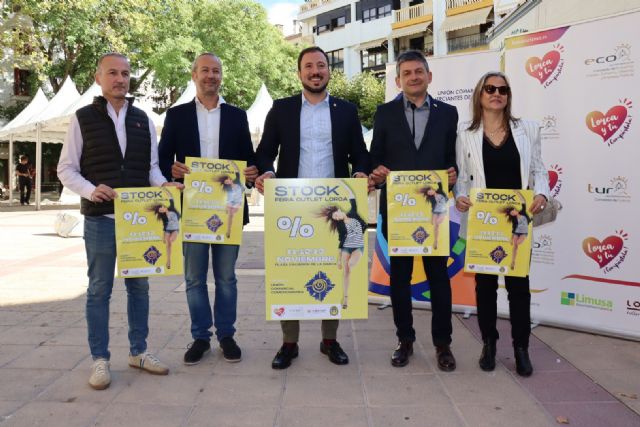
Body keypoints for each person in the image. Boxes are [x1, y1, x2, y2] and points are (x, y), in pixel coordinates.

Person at [57, 52, 182, 390]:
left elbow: (151, 168)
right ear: (98, 78)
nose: (120, 79)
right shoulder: (82, 118)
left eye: (125, 73)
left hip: (140, 221)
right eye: (112, 73)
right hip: (101, 220)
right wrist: (90, 189)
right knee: (99, 289)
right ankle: (100, 359)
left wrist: (164, 186)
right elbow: (66, 168)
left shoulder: (143, 120)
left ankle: (138, 351)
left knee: (139, 287)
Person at [255, 46, 370, 369]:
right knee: (290, 270)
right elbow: (264, 152)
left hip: (334, 206)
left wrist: (361, 172)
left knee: (333, 268)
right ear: (299, 73)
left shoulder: (346, 111)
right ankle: (289, 343)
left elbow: (360, 154)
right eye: (308, 66)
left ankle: (329, 341)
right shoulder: (282, 109)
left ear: (328, 71)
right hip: (292, 206)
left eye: (321, 65)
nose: (315, 71)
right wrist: (267, 172)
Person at [158, 52, 257, 365]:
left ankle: (226, 335)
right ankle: (201, 336)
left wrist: (251, 173)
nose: (211, 76)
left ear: (221, 76)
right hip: (192, 210)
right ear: (194, 75)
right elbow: (161, 159)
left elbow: (249, 159)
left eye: (216, 70)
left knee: (226, 278)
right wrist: (170, 169)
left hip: (228, 209)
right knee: (194, 279)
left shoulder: (237, 116)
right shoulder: (177, 115)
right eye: (205, 70)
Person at [453, 71, 549, 376]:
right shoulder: (465, 132)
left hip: (517, 219)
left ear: (508, 96)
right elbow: (462, 176)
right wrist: (459, 196)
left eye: (503, 90)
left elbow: (539, 169)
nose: (497, 94)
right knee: (485, 287)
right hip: (483, 222)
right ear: (479, 95)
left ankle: (521, 348)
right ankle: (489, 343)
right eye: (490, 89)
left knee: (519, 287)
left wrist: (542, 193)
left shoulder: (528, 129)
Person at [369, 50, 458, 371]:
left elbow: (454, 157)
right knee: (400, 279)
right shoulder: (384, 113)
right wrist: (377, 171)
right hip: (400, 212)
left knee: (439, 279)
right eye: (407, 73)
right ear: (398, 80)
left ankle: (443, 344)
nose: (414, 77)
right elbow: (374, 157)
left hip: (434, 211)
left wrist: (454, 173)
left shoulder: (449, 113)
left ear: (429, 76)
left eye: (419, 71)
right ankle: (404, 340)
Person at [318, 181, 366, 309]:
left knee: (350, 264)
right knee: (346, 271)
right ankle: (345, 298)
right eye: (335, 218)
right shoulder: (340, 226)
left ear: (339, 210)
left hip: (358, 246)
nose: (337, 218)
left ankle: (348, 295)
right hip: (346, 247)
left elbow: (352, 196)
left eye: (336, 215)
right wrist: (339, 260)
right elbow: (341, 241)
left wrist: (342, 184)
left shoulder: (353, 213)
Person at [147, 188, 181, 269]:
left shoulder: (171, 207)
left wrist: (165, 190)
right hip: (167, 230)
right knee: (167, 243)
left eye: (161, 208)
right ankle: (168, 261)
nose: (161, 210)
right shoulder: (163, 217)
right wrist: (163, 235)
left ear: (163, 207)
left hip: (175, 229)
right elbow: (164, 226)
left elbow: (170, 196)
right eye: (160, 211)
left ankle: (169, 260)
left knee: (170, 241)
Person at [417, 179, 448, 251]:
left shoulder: (440, 191)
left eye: (430, 191)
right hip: (435, 212)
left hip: (443, 211)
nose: (430, 193)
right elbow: (433, 208)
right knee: (434, 225)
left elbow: (439, 182)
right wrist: (431, 217)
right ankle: (435, 240)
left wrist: (433, 174)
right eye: (429, 193)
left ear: (432, 189)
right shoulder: (432, 199)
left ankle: (437, 241)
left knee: (437, 223)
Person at [215, 171, 244, 239]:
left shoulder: (237, 181)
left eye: (227, 181)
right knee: (229, 214)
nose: (227, 182)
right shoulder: (227, 188)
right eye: (226, 182)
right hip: (230, 202)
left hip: (237, 202)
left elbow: (237, 171)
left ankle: (228, 230)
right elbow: (227, 197)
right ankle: (227, 230)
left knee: (231, 214)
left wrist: (233, 164)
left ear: (229, 178)